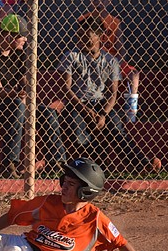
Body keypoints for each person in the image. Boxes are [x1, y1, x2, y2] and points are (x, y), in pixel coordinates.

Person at [0, 158, 165, 251]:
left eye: (71, 185)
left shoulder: (96, 219)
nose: (64, 187)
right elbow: (11, 217)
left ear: (86, 192)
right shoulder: (48, 202)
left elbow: (121, 243)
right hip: (16, 241)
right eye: (65, 181)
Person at [58, 15, 160, 174]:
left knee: (116, 129)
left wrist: (103, 114)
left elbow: (113, 93)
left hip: (100, 104)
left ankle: (142, 164)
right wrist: (86, 110)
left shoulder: (110, 60)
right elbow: (66, 89)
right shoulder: (72, 56)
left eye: (88, 38)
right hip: (77, 104)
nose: (83, 41)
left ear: (100, 38)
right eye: (80, 37)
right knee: (79, 134)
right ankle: (90, 169)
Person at [0, 14, 65, 178]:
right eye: (21, 37)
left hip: (17, 102)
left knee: (48, 112)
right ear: (9, 35)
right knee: (17, 106)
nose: (24, 41)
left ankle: (56, 162)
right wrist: (18, 94)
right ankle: (10, 163)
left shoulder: (19, 54)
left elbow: (26, 83)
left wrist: (24, 91)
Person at [79, 0, 140, 122]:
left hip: (112, 61)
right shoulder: (84, 20)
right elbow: (81, 45)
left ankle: (131, 114)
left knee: (134, 75)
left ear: (109, 1)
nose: (98, 3)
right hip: (92, 60)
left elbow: (121, 48)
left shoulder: (115, 22)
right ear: (90, 0)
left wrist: (116, 63)